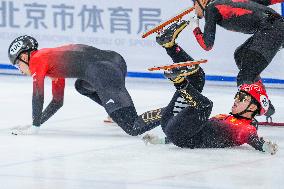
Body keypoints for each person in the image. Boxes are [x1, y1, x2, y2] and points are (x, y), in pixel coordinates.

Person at [143, 21, 278, 155]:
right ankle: (170, 45)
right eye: (237, 95)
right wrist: (162, 140)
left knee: (206, 105)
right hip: (169, 124)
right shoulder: (225, 117)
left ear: (253, 107)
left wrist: (265, 147)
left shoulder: (246, 128)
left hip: (177, 133)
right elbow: (194, 127)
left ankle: (179, 81)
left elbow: (254, 140)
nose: (236, 100)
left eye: (242, 97)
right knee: (198, 77)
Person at [8, 35, 162, 135]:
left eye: (17, 65)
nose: (20, 71)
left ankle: (171, 111)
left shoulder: (36, 59)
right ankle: (115, 113)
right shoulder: (51, 63)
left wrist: (34, 127)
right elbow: (57, 102)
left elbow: (38, 94)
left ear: (23, 56)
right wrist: (37, 122)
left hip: (103, 71)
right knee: (81, 86)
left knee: (132, 126)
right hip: (114, 60)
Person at [186, 0, 284, 118]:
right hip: (273, 27)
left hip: (272, 29)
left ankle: (250, 113)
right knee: (240, 55)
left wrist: (195, 27)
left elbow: (207, 45)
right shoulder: (228, 2)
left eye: (194, 4)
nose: (193, 8)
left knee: (245, 76)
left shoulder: (211, 8)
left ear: (202, 1)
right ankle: (264, 103)